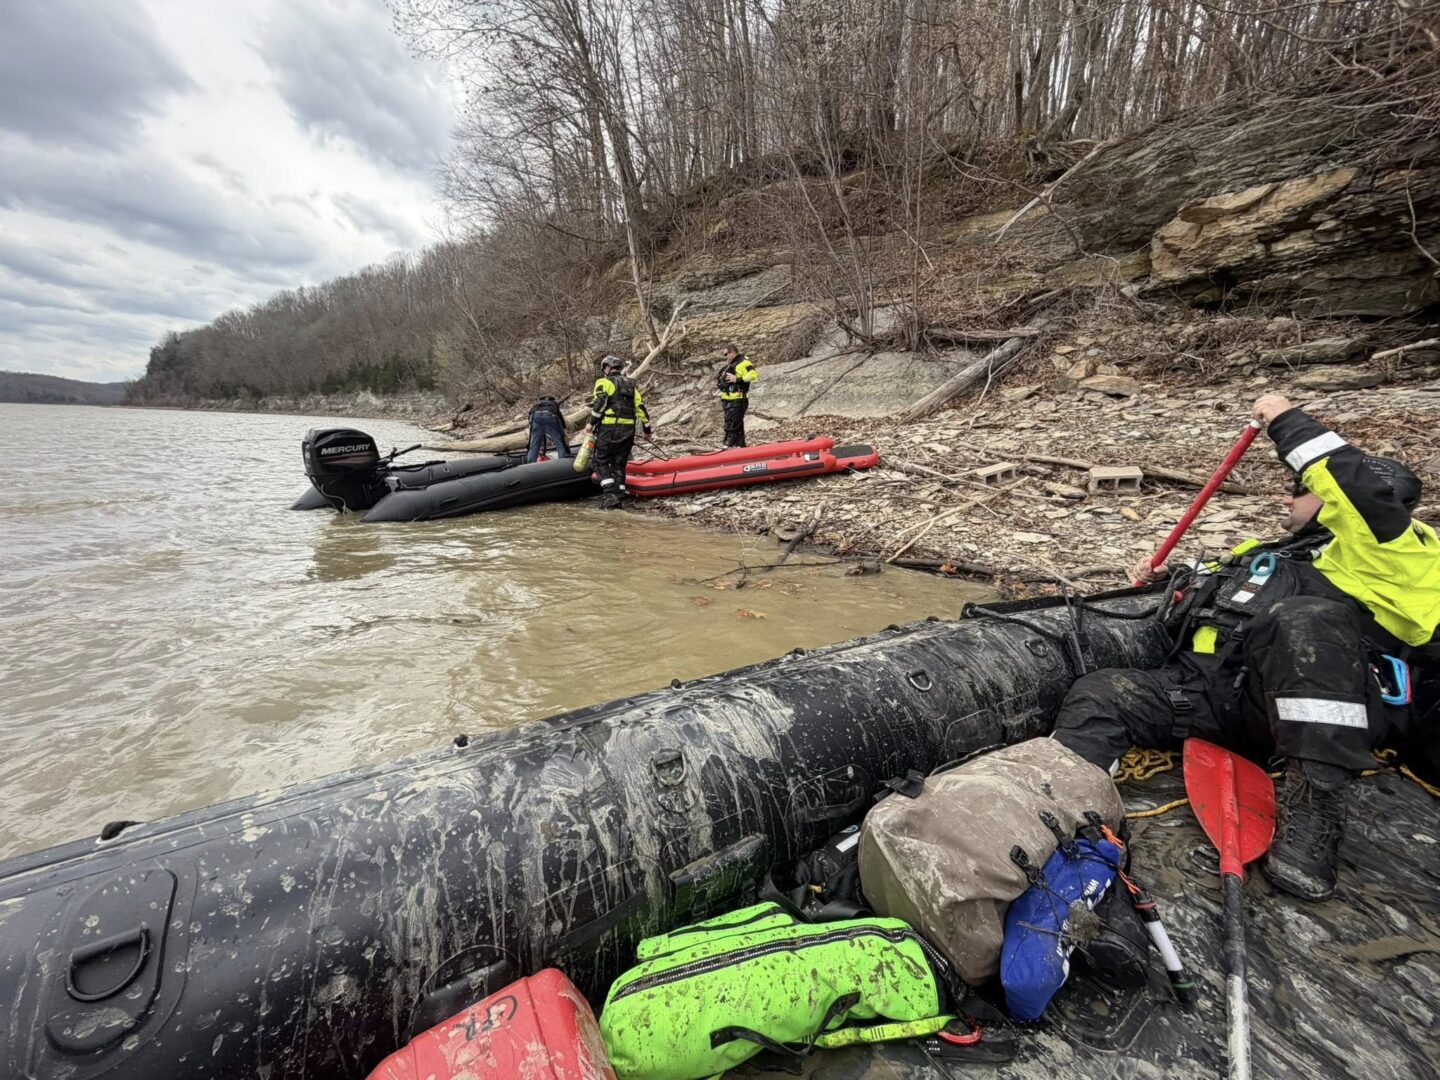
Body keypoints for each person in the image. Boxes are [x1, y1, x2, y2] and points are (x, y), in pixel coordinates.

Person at [1051, 393, 1440, 901]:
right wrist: (1171, 583)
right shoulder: (1269, 554)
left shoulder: (1401, 555)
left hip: (1296, 713)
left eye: (1300, 490)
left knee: (1306, 618)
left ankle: (1314, 809)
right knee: (1103, 692)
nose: (1289, 500)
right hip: (1212, 694)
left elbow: (1355, 490)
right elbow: (1207, 602)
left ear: (1338, 502)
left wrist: (1284, 419)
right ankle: (1071, 824)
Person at [587, 355, 652, 509]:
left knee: (600, 461)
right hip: (628, 431)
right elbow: (641, 409)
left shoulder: (603, 382)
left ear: (607, 368)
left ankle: (610, 496)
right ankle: (620, 496)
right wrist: (647, 430)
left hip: (610, 429)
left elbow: (600, 403)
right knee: (619, 464)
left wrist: (591, 423)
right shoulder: (631, 386)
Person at [716, 344, 758, 448]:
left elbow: (753, 375)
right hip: (728, 400)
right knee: (736, 426)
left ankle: (728, 446)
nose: (725, 357)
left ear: (732, 353)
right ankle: (741, 445)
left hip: (738, 399)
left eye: (726, 354)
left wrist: (737, 379)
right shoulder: (729, 366)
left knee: (732, 425)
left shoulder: (744, 363)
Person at [525, 395, 571, 463]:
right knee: (559, 442)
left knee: (534, 445)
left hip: (536, 418)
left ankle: (530, 464)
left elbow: (530, 417)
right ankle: (563, 461)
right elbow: (560, 417)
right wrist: (564, 429)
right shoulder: (553, 404)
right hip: (550, 418)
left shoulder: (537, 406)